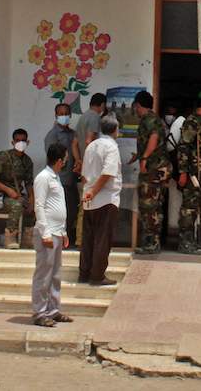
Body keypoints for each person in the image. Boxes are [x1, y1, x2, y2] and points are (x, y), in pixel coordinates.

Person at [31, 143, 73, 328]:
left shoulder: (55, 177)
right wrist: (45, 233)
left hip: (57, 231)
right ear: (59, 160)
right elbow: (39, 206)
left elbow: (57, 206)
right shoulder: (43, 178)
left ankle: (53, 310)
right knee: (43, 274)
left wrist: (63, 231)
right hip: (47, 233)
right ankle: (40, 312)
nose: (66, 160)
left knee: (55, 274)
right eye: (65, 157)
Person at [79, 115, 122, 286]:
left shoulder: (91, 146)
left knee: (88, 239)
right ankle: (97, 276)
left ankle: (84, 273)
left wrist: (88, 192)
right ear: (115, 130)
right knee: (103, 239)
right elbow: (107, 173)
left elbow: (84, 174)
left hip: (89, 200)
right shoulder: (111, 147)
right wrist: (94, 192)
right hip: (105, 199)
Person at [176, 91, 201, 254]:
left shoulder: (200, 124)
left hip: (199, 174)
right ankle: (184, 242)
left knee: (196, 207)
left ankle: (193, 240)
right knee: (189, 208)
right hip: (192, 173)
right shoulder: (191, 123)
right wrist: (183, 172)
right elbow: (183, 148)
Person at [132, 91, 171, 255]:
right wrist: (139, 155)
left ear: (138, 105)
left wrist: (145, 158)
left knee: (149, 206)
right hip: (159, 168)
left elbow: (154, 138)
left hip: (153, 170)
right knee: (155, 206)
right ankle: (154, 242)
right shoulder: (156, 119)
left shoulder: (149, 120)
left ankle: (151, 243)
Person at [0, 129, 35, 250]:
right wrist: (8, 190)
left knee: (34, 206)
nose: (21, 143)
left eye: (23, 141)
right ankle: (10, 238)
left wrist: (31, 198)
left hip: (18, 195)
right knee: (17, 205)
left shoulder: (27, 161)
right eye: (18, 140)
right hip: (0, 197)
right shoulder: (3, 157)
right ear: (12, 142)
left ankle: (27, 238)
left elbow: (29, 182)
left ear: (28, 142)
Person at [44, 103, 81, 246]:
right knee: (62, 212)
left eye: (66, 113)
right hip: (60, 180)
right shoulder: (52, 135)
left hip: (72, 179)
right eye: (60, 114)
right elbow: (52, 159)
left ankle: (67, 239)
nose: (63, 116)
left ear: (70, 115)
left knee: (72, 210)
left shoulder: (73, 134)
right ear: (56, 115)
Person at [73, 93, 107, 246]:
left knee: (85, 201)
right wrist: (90, 162)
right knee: (89, 202)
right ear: (102, 105)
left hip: (84, 167)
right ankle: (83, 239)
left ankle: (81, 238)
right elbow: (89, 140)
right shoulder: (94, 117)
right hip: (91, 168)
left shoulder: (82, 117)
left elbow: (75, 144)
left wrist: (79, 160)